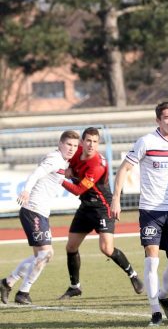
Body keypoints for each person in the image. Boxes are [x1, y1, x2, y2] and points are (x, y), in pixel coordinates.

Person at [111, 102, 168, 326]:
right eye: (167, 117)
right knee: (152, 260)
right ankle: (155, 312)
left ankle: (163, 296)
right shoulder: (146, 142)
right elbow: (124, 169)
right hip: (151, 210)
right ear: (158, 121)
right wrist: (116, 198)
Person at [58, 127, 144, 299]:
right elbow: (63, 157)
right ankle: (75, 287)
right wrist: (62, 169)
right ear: (82, 142)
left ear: (98, 144)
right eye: (88, 141)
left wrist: (59, 178)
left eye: (95, 142)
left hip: (102, 208)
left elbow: (78, 189)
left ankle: (133, 275)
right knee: (71, 246)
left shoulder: (96, 165)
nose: (91, 145)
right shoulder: (76, 151)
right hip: (85, 206)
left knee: (106, 249)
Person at [0, 131, 80, 305]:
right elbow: (36, 174)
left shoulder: (62, 161)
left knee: (40, 257)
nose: (72, 149)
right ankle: (22, 292)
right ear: (60, 144)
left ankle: (8, 283)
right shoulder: (54, 158)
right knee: (46, 254)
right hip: (33, 210)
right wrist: (26, 190)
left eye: (75, 146)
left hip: (40, 212)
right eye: (68, 144)